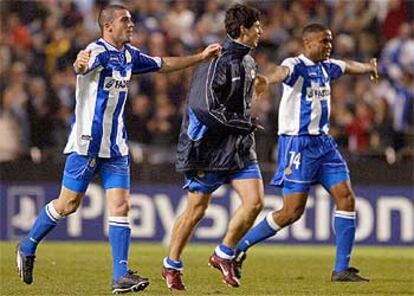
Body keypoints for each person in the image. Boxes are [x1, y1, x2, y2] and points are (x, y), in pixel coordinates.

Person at [16, 4, 221, 294]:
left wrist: (200, 57)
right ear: (108, 26)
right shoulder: (96, 51)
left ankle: (120, 275)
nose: (132, 24)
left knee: (122, 206)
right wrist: (80, 62)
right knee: (68, 205)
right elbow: (81, 65)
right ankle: (27, 246)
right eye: (125, 20)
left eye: (132, 20)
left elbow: (163, 64)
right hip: (87, 144)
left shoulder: (129, 55)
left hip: (116, 148)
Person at [234, 23, 379, 282]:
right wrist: (267, 79)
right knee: (291, 212)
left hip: (324, 144)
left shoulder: (327, 67)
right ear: (308, 43)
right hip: (298, 144)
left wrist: (368, 67)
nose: (329, 46)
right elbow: (281, 71)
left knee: (346, 198)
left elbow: (347, 65)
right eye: (324, 42)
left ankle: (341, 269)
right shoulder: (296, 65)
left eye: (330, 41)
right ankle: (238, 249)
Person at [161, 4, 266, 291]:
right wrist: (242, 125)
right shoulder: (216, 60)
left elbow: (242, 96)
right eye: (257, 26)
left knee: (255, 202)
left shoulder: (248, 62)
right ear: (243, 30)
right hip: (208, 149)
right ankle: (171, 264)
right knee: (196, 210)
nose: (261, 31)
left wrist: (260, 82)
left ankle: (224, 253)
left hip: (240, 149)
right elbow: (203, 108)